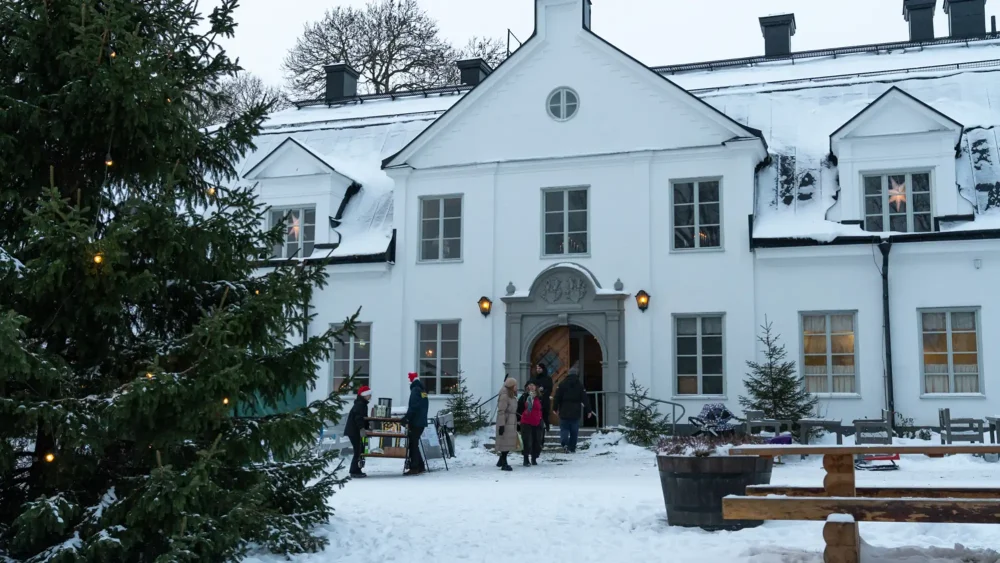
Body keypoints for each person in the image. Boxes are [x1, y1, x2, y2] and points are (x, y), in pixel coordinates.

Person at [552, 367, 593, 453]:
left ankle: (565, 444)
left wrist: (555, 408)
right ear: (576, 374)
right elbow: (585, 398)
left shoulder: (562, 384)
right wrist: (588, 410)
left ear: (568, 374)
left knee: (564, 428)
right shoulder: (579, 385)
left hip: (564, 409)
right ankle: (572, 447)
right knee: (574, 431)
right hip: (576, 410)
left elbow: (557, 397)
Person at [402, 372, 429, 476]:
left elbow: (413, 407)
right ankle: (420, 466)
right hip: (421, 422)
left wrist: (407, 418)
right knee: (415, 443)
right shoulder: (423, 390)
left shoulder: (415, 390)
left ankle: (414, 467)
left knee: (413, 444)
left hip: (416, 422)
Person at [344, 385, 373, 477]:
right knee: (358, 450)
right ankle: (354, 471)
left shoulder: (362, 404)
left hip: (355, 430)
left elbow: (364, 418)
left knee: (360, 449)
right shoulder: (360, 405)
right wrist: (362, 429)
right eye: (369, 394)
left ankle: (357, 470)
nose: (370, 396)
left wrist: (367, 427)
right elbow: (359, 418)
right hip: (354, 431)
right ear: (364, 395)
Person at [517, 382, 544, 466]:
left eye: (533, 385)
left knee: (537, 441)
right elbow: (519, 409)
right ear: (527, 387)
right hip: (526, 422)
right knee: (527, 441)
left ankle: (534, 458)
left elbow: (543, 409)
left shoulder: (539, 397)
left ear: (536, 387)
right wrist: (518, 419)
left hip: (537, 422)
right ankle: (526, 459)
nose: (531, 387)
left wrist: (544, 421)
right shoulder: (524, 397)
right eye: (529, 385)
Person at [494, 376, 518, 471]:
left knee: (507, 442)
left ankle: (501, 460)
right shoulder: (504, 395)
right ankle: (504, 463)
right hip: (506, 421)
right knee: (505, 442)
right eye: (515, 385)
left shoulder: (511, 395)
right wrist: (501, 425)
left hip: (511, 421)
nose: (516, 387)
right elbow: (501, 411)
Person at [531, 363, 554, 433]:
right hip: (536, 399)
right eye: (537, 368)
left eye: (539, 368)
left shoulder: (548, 378)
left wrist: (543, 390)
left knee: (545, 414)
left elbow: (550, 388)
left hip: (545, 399)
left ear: (543, 369)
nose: (538, 370)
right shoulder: (534, 378)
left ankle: (547, 427)